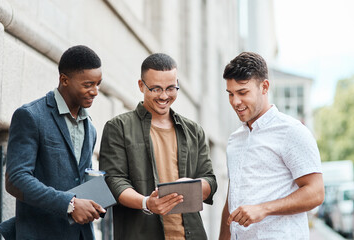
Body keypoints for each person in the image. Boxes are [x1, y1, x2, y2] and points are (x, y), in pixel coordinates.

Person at [99, 53, 217, 240]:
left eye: (171, 88)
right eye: (156, 89)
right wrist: (147, 203)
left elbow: (210, 180)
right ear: (141, 85)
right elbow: (114, 181)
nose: (164, 96)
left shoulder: (194, 131)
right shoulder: (118, 127)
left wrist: (194, 186)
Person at [0, 45, 106, 240]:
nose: (95, 91)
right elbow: (16, 179)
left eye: (98, 84)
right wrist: (69, 204)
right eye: (88, 84)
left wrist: (94, 199)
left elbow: (78, 179)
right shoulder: (30, 116)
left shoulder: (90, 128)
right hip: (40, 233)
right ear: (64, 80)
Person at [219, 52, 325, 240]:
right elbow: (232, 199)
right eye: (231, 94)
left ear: (264, 87)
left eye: (243, 92)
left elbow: (315, 193)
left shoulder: (292, 131)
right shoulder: (235, 139)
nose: (235, 102)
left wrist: (264, 209)